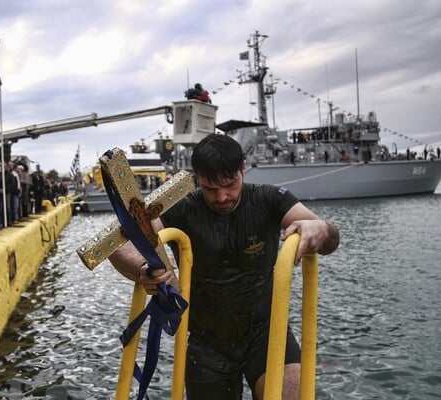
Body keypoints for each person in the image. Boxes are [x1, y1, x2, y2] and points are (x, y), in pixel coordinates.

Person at [109, 134, 340, 400]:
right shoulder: (181, 208)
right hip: (206, 342)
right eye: (210, 188)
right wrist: (143, 268)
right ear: (196, 178)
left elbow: (330, 239)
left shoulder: (269, 199)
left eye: (230, 185)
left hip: (266, 332)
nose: (221, 197)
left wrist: (320, 228)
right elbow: (119, 245)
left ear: (243, 168)